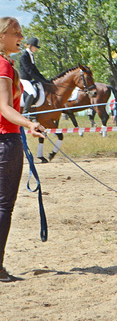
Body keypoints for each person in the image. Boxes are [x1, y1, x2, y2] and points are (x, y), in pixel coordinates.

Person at [0, 17, 48, 282]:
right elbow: (5, 108)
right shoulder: (4, 65)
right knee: (4, 206)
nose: (20, 35)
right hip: (5, 140)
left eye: (20, 32)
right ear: (1, 36)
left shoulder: (10, 63)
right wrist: (29, 123)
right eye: (14, 32)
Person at [18, 36, 53, 114]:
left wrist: (44, 80)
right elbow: (29, 71)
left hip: (29, 79)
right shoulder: (24, 56)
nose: (36, 49)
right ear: (30, 46)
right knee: (32, 93)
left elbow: (35, 70)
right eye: (35, 47)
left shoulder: (31, 55)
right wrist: (39, 79)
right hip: (24, 79)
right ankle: (25, 113)